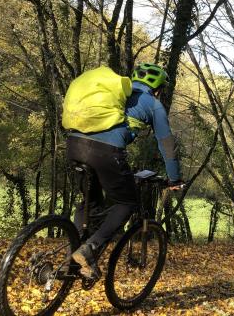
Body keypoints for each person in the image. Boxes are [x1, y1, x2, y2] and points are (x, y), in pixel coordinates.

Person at [66, 63, 184, 280]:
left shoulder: (115, 95)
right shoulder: (153, 104)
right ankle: (89, 249)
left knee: (89, 203)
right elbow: (166, 144)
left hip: (74, 144)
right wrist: (175, 178)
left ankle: (71, 258)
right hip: (105, 152)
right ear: (157, 88)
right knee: (127, 203)